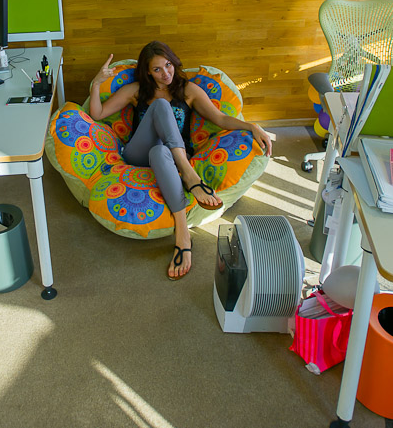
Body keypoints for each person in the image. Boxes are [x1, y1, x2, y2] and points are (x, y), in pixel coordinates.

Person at [88, 41, 273, 281]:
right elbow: (97, 113)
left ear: (173, 62)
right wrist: (96, 84)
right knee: (160, 106)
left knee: (159, 151)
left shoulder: (189, 90)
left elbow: (220, 118)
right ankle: (189, 175)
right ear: (148, 72)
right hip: (138, 156)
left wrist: (251, 126)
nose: (165, 73)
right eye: (157, 69)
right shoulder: (137, 90)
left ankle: (183, 238)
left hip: (165, 158)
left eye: (168, 65)